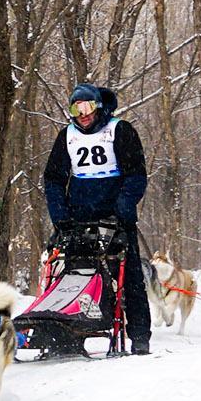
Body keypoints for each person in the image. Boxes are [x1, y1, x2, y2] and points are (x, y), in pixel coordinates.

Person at [43, 82, 152, 354]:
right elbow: (54, 179)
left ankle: (139, 336)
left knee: (130, 278)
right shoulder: (66, 136)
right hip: (78, 218)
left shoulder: (119, 130)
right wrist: (60, 217)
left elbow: (136, 175)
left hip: (116, 218)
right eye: (76, 108)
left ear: (99, 106)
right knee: (75, 275)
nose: (83, 114)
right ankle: (69, 334)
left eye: (88, 106)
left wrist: (123, 209)